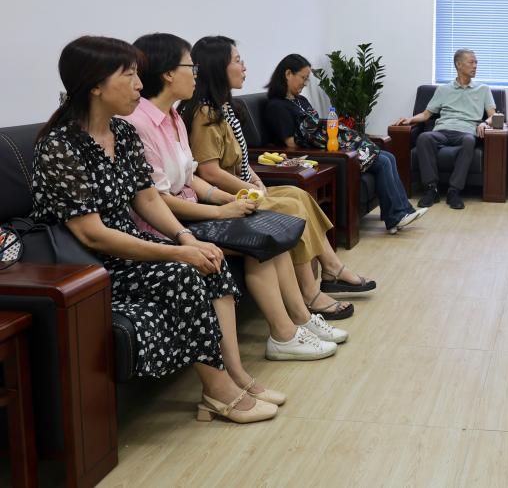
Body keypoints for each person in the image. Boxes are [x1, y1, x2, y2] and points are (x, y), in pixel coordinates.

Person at [32, 35, 277, 424]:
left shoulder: (123, 132)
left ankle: (236, 374)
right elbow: (92, 234)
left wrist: (186, 237)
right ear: (95, 85)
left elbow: (147, 199)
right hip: (87, 264)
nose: (139, 85)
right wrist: (178, 252)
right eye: (128, 75)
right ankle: (217, 392)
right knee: (184, 272)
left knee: (210, 261)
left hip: (128, 246)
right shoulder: (60, 146)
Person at [125, 34, 345, 364]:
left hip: (194, 210)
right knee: (264, 233)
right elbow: (156, 199)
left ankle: (299, 319)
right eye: (190, 66)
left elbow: (192, 177)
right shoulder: (139, 124)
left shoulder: (172, 117)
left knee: (274, 225)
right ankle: (284, 333)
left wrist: (230, 199)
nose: (195, 73)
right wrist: (223, 209)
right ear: (168, 73)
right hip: (171, 224)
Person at [180, 36, 375, 322]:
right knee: (292, 208)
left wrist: (257, 180)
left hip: (246, 189)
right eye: (237, 61)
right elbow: (209, 172)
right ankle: (309, 294)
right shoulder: (204, 114)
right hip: (230, 198)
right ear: (217, 67)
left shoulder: (224, 107)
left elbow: (241, 158)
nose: (244, 67)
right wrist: (252, 189)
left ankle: (331, 269)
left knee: (300, 196)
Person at [263, 53, 426, 234]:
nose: (305, 83)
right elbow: (291, 143)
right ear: (288, 74)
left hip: (331, 146)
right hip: (320, 155)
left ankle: (400, 214)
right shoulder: (276, 106)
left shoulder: (301, 100)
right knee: (382, 161)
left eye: (307, 79)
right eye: (303, 78)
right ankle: (397, 215)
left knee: (388, 157)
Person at [392, 48, 497, 210]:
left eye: (476, 62)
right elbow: (426, 114)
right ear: (458, 65)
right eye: (471, 62)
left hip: (466, 131)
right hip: (442, 130)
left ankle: (454, 191)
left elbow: (493, 116)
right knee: (424, 137)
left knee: (469, 140)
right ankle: (431, 189)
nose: (475, 66)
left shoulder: (483, 89)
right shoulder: (443, 89)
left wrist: (485, 123)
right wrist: (409, 119)